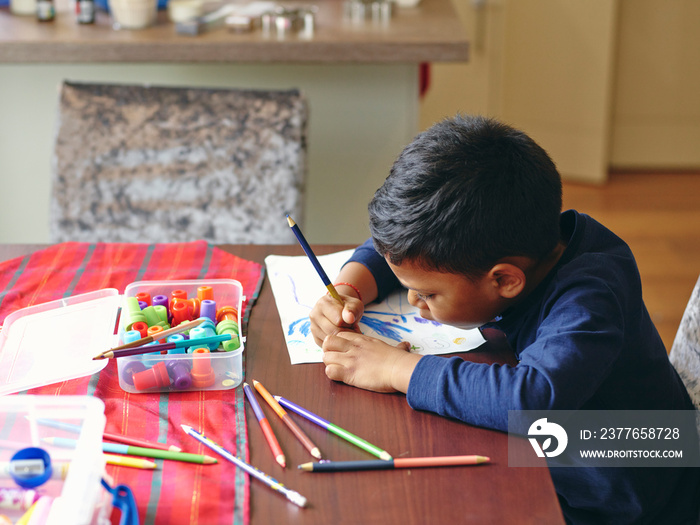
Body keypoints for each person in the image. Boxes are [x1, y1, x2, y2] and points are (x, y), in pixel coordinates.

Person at [309, 115, 700, 524]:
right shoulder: (514, 236)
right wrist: (350, 288)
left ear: (504, 280)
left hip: (625, 488)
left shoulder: (591, 296)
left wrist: (395, 367)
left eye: (428, 294)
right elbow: (409, 250)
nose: (413, 299)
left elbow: (533, 399)